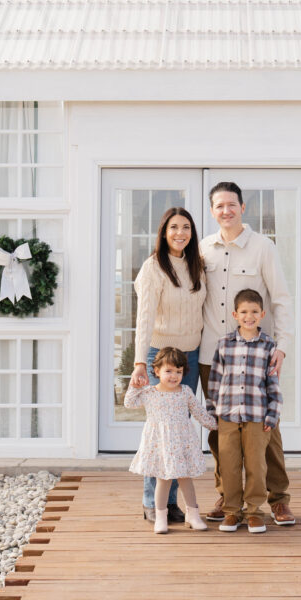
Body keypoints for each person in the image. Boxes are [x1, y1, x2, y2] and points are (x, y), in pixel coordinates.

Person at [199, 181, 296, 526]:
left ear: (243, 208)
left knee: (266, 431)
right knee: (219, 432)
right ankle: (229, 496)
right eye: (219, 206)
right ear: (212, 211)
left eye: (231, 204)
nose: (226, 211)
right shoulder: (203, 249)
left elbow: (281, 298)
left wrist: (282, 346)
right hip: (213, 353)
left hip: (256, 354)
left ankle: (279, 498)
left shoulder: (262, 247)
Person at [127, 207, 206, 523]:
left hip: (191, 357)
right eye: (174, 227)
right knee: (160, 431)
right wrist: (139, 363)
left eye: (186, 227)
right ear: (163, 232)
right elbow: (144, 318)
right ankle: (155, 503)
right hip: (160, 356)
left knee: (180, 430)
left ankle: (171, 502)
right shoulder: (153, 268)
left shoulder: (197, 265)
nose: (180, 233)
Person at [205, 289, 282, 534]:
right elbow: (215, 380)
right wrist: (212, 410)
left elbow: (273, 384)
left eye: (254, 312)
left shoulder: (269, 345)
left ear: (262, 314)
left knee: (256, 466)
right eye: (244, 312)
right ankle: (231, 511)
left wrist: (272, 414)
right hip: (227, 415)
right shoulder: (224, 344)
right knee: (229, 465)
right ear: (235, 314)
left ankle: (254, 512)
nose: (249, 317)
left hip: (257, 416)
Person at [125, 347, 218, 534]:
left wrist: (215, 425)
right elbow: (129, 403)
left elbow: (199, 412)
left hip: (183, 442)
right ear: (157, 371)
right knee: (163, 479)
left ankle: (193, 515)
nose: (174, 376)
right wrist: (134, 386)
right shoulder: (150, 393)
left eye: (178, 371)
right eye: (168, 371)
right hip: (161, 444)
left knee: (186, 479)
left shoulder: (185, 392)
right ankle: (161, 517)